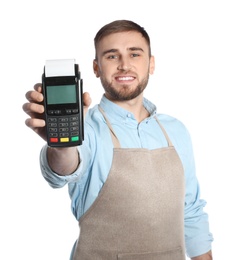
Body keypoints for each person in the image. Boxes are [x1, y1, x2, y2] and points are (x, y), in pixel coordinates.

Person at [23, 20, 213, 260]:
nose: (125, 65)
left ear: (151, 64)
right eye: (112, 56)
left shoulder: (176, 131)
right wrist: (62, 146)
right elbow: (64, 169)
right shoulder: (87, 129)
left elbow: (191, 211)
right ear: (96, 67)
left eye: (135, 54)